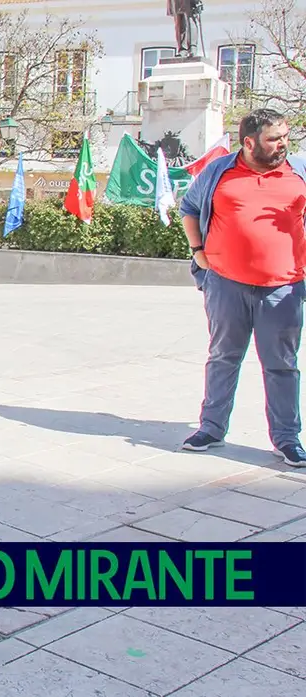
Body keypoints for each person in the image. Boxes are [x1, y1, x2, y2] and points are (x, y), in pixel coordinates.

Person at [179, 108, 306, 466]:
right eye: (273, 139)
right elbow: (189, 208)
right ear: (249, 142)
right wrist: (197, 250)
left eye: (284, 136)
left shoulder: (299, 172)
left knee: (282, 364)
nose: (282, 144)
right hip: (225, 284)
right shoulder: (219, 171)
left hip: (283, 289)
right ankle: (212, 428)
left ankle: (286, 438)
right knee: (223, 358)